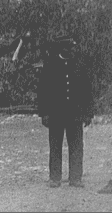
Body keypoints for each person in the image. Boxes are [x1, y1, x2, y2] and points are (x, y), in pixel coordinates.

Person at [37, 36, 94, 188]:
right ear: (62, 49)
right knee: (55, 146)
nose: (72, 50)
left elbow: (87, 90)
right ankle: (55, 178)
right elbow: (42, 91)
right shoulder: (50, 66)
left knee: (76, 146)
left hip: (75, 114)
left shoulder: (79, 65)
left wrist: (88, 113)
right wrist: (44, 113)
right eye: (69, 48)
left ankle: (75, 178)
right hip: (56, 114)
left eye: (72, 48)